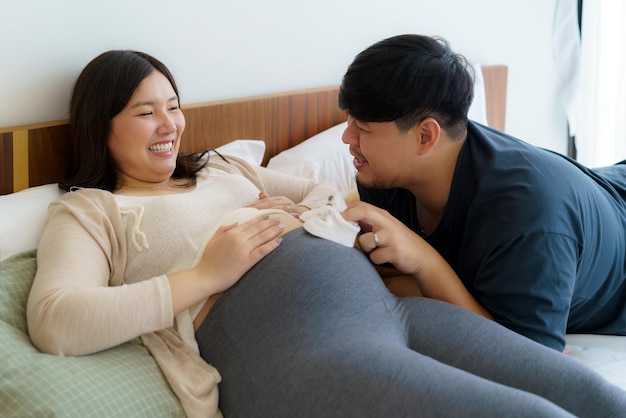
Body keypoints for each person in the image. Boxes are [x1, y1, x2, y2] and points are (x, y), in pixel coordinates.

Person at [26, 49, 626, 418]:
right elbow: (56, 319)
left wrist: (298, 215)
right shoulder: (92, 212)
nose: (171, 125)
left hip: (395, 310)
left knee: (596, 399)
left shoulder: (221, 166)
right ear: (100, 126)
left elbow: (325, 194)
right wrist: (203, 275)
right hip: (301, 344)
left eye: (174, 105)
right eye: (145, 111)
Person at [339, 34, 626, 353]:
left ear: (425, 136)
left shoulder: (525, 221)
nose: (346, 137)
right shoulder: (382, 175)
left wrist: (426, 263)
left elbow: (532, 362)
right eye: (348, 119)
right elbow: (389, 278)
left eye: (362, 128)